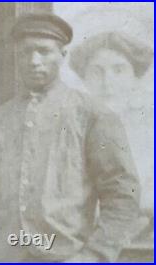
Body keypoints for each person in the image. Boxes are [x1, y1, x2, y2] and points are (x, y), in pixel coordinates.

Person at [0, 14, 140, 262]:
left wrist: (94, 256)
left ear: (62, 56)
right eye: (24, 53)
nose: (34, 60)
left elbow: (122, 196)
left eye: (44, 51)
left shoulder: (93, 116)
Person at [70, 32, 154, 240]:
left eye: (119, 70)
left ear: (135, 77)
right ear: (85, 80)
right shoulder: (72, 131)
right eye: (97, 72)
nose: (108, 82)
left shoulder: (149, 133)